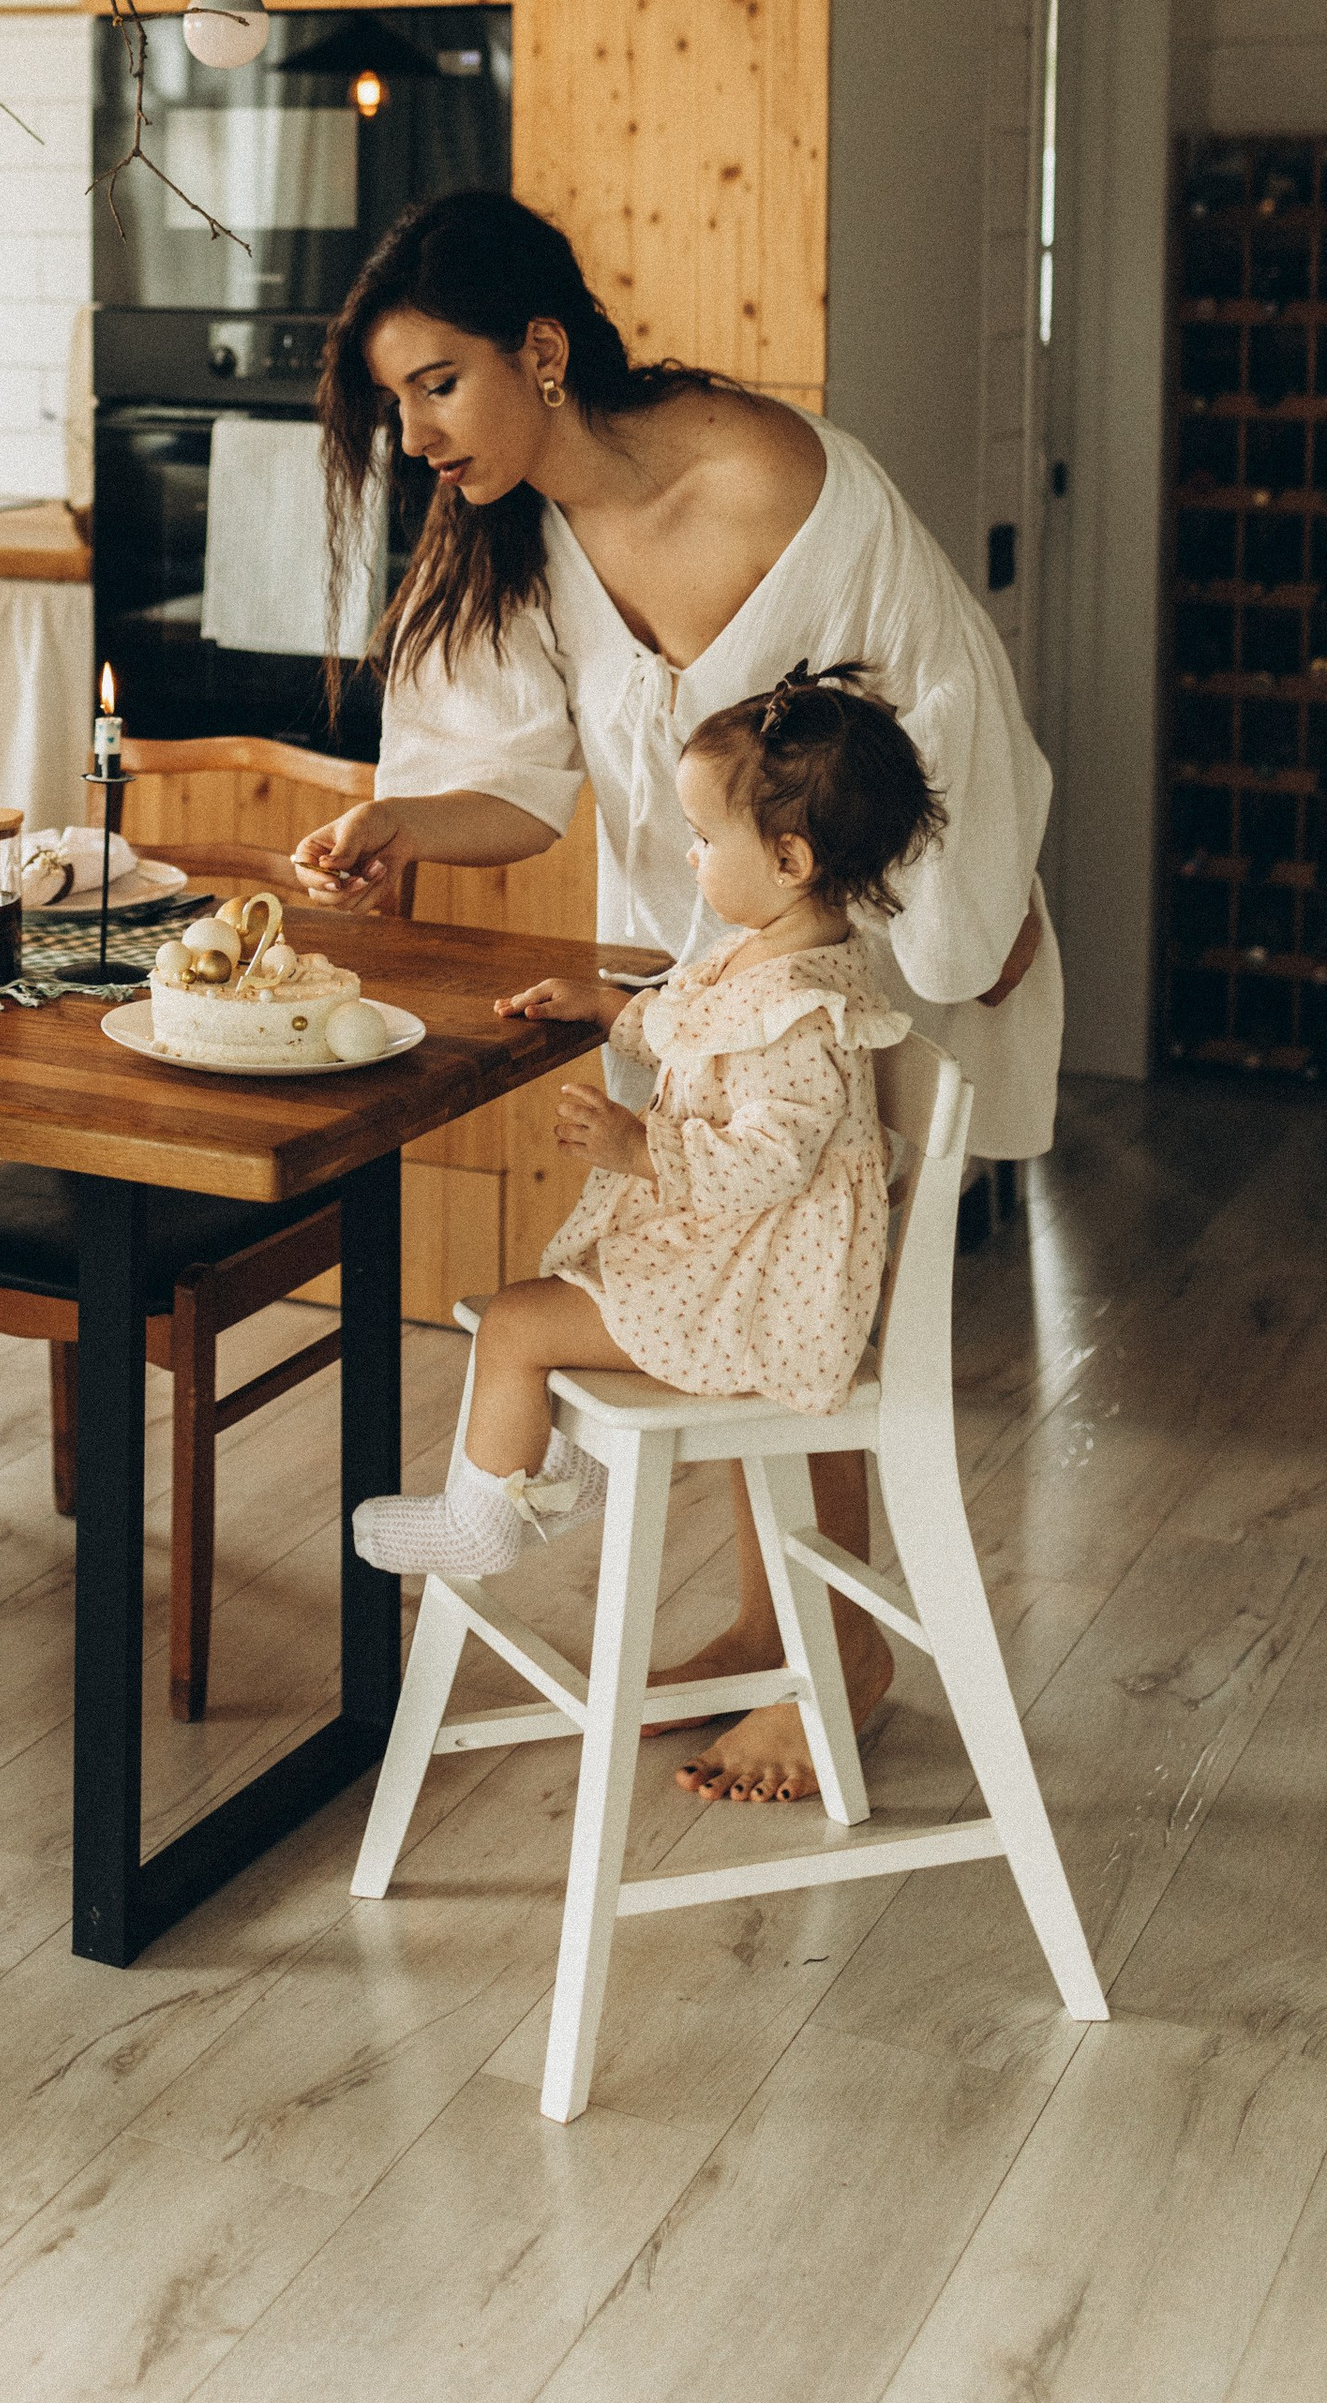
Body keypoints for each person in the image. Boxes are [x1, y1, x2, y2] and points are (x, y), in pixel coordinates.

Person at [293, 193, 1055, 1806]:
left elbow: (951, 737)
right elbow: (517, 789)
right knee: (725, 1286)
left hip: (883, 968)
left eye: (438, 383)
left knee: (810, 1303)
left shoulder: (773, 483)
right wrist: (397, 826)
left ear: (543, 350)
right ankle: (783, 1623)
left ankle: (835, 1652)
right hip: (700, 979)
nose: (418, 432)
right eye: (396, 401)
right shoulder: (510, 530)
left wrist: (944, 969)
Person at [353, 666, 931, 1584]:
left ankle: (479, 1525)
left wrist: (640, 1146)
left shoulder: (802, 1011)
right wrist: (610, 1009)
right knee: (560, 1284)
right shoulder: (779, 956)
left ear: (790, 862)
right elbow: (702, 1040)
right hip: (740, 1261)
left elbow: (772, 1157)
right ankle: (561, 1473)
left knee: (512, 1324)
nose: (692, 857)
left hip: (759, 1296)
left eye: (705, 837)